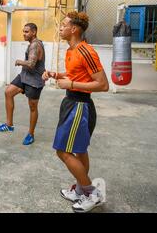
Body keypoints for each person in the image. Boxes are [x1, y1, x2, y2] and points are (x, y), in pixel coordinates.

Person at [42, 11, 109, 213]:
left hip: (80, 106)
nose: (60, 28)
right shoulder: (71, 50)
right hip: (71, 102)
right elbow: (74, 74)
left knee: (62, 151)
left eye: (64, 25)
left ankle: (92, 193)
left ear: (74, 29)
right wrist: (56, 74)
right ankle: (80, 190)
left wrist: (70, 83)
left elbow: (103, 84)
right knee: (79, 150)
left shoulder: (86, 51)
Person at [0, 23, 46, 145]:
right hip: (24, 76)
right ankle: (9, 125)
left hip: (34, 80)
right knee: (8, 92)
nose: (24, 34)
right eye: (23, 31)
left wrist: (19, 61)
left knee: (32, 107)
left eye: (27, 32)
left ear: (34, 32)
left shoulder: (35, 45)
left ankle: (30, 134)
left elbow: (31, 63)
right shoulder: (33, 44)